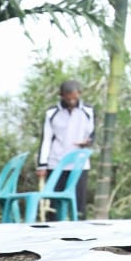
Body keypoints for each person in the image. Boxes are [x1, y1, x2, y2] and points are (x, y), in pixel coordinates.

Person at [36, 80, 96, 220]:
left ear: (79, 94)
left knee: (79, 202)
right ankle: (52, 231)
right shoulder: (52, 113)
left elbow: (92, 133)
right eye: (68, 98)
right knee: (54, 202)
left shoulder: (88, 111)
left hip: (79, 163)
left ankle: (80, 230)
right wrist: (42, 164)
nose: (71, 101)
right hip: (56, 162)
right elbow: (46, 138)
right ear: (62, 96)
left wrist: (88, 142)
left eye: (74, 98)